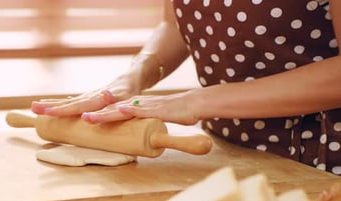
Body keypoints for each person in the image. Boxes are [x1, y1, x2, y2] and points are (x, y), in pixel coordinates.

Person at [32, 0, 341, 175]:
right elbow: (175, 25)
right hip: (228, 150)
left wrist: (197, 101)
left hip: (321, 159)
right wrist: (131, 79)